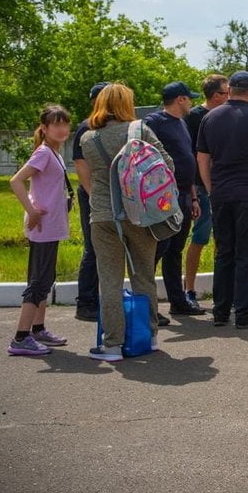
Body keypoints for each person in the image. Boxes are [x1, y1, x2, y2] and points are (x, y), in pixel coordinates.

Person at [76, 83, 175, 362]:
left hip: (104, 216)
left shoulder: (88, 138)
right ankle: (149, 337)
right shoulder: (141, 130)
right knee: (143, 275)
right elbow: (167, 163)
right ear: (126, 103)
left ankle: (112, 346)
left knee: (109, 280)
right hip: (141, 214)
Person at [196, 71, 248, 329]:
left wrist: (212, 188)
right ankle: (244, 311)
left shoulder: (209, 118)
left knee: (224, 253)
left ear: (230, 89)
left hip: (221, 194)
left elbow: (202, 158)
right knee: (247, 253)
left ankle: (220, 311)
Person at [7, 105, 74, 356]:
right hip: (44, 226)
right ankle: (21, 337)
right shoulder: (44, 153)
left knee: (46, 278)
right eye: (56, 124)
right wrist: (32, 210)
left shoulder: (54, 153)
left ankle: (38, 329)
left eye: (65, 124)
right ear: (44, 129)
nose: (62, 129)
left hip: (53, 226)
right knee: (38, 281)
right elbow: (16, 181)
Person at [147, 81, 205, 318]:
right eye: (188, 98)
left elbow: (187, 159)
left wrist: (193, 197)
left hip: (183, 194)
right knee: (158, 249)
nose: (191, 102)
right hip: (164, 196)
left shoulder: (181, 124)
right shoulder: (153, 122)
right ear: (180, 99)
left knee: (175, 250)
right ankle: (148, 306)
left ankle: (177, 301)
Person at [183, 74, 229, 311]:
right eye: (226, 92)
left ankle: (223, 292)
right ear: (216, 95)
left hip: (222, 185)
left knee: (223, 241)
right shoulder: (194, 117)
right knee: (200, 237)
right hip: (200, 186)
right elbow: (193, 153)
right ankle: (189, 289)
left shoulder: (226, 115)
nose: (230, 96)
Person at [71, 81, 108, 321]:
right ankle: (85, 303)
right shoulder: (87, 128)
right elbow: (81, 167)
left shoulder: (108, 126)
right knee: (93, 248)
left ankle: (100, 299)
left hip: (107, 196)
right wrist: (95, 197)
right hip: (93, 196)